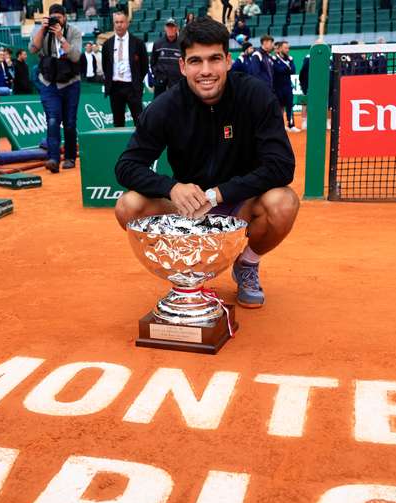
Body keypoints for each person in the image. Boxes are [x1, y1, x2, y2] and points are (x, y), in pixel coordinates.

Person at [114, 17, 298, 309]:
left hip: (241, 206)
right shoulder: (166, 106)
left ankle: (246, 264)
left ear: (228, 60)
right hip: (187, 210)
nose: (206, 71)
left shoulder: (256, 95)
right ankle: (186, 276)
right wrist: (172, 187)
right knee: (129, 206)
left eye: (214, 59)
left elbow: (281, 166)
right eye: (196, 61)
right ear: (183, 66)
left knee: (284, 203)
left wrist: (219, 193)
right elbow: (126, 166)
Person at [29, 3, 82, 172]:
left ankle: (70, 157)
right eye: (53, 17)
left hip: (71, 82)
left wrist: (61, 37)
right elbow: (32, 49)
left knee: (70, 123)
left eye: (59, 17)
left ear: (65, 18)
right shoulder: (42, 30)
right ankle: (52, 158)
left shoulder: (73, 31)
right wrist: (43, 29)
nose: (56, 20)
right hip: (49, 83)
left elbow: (75, 56)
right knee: (52, 120)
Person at [102, 11, 148, 127]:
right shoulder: (107, 44)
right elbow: (105, 66)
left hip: (132, 87)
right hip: (115, 87)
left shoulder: (138, 43)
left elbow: (144, 66)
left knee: (139, 121)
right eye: (116, 22)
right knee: (118, 122)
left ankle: (140, 145)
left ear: (127, 23)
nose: (119, 25)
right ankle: (120, 145)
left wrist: (137, 80)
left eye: (121, 22)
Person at [150, 19, 183, 96]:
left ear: (177, 28)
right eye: (168, 27)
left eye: (172, 27)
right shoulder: (158, 44)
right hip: (160, 83)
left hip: (177, 82)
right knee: (159, 105)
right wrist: (158, 76)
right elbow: (152, 62)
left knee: (178, 105)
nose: (170, 29)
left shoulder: (182, 44)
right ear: (165, 28)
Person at [272, 40, 297, 132]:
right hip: (277, 87)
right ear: (279, 49)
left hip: (287, 87)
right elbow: (277, 70)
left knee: (290, 106)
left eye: (288, 48)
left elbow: (293, 70)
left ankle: (291, 125)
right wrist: (287, 69)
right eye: (285, 48)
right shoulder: (274, 59)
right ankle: (281, 126)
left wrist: (286, 69)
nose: (287, 50)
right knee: (279, 107)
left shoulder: (290, 58)